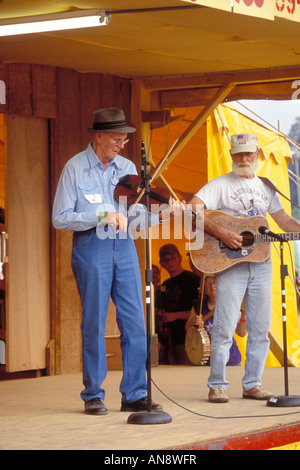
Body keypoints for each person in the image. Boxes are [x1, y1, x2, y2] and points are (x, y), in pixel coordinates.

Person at [52, 107, 183, 415]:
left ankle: (135, 393)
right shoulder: (74, 168)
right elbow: (60, 217)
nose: (122, 144)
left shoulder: (126, 167)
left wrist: (162, 213)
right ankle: (93, 394)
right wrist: (101, 215)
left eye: (125, 138)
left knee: (135, 322)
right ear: (99, 137)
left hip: (124, 248)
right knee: (94, 322)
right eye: (116, 138)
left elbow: (136, 218)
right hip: (91, 246)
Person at [189, 132, 300, 403]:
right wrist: (223, 233)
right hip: (230, 264)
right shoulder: (219, 185)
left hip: (262, 262)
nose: (243, 158)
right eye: (238, 153)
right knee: (225, 327)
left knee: (260, 327)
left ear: (257, 153)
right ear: (231, 155)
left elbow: (284, 222)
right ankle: (217, 384)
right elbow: (192, 210)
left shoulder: (267, 186)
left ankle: (252, 383)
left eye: (248, 153)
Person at [185, 275, 247, 366]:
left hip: (230, 360)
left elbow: (241, 333)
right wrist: (194, 321)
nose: (212, 286)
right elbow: (187, 329)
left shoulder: (231, 305)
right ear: (205, 290)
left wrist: (244, 314)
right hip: (206, 359)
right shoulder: (199, 306)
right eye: (208, 284)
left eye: (215, 283)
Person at [155, 243, 200, 364]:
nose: (169, 262)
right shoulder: (165, 284)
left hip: (188, 339)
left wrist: (175, 316)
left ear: (179, 258)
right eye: (165, 260)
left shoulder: (193, 280)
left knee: (185, 376)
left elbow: (200, 311)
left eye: (172, 258)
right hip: (169, 340)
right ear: (161, 263)